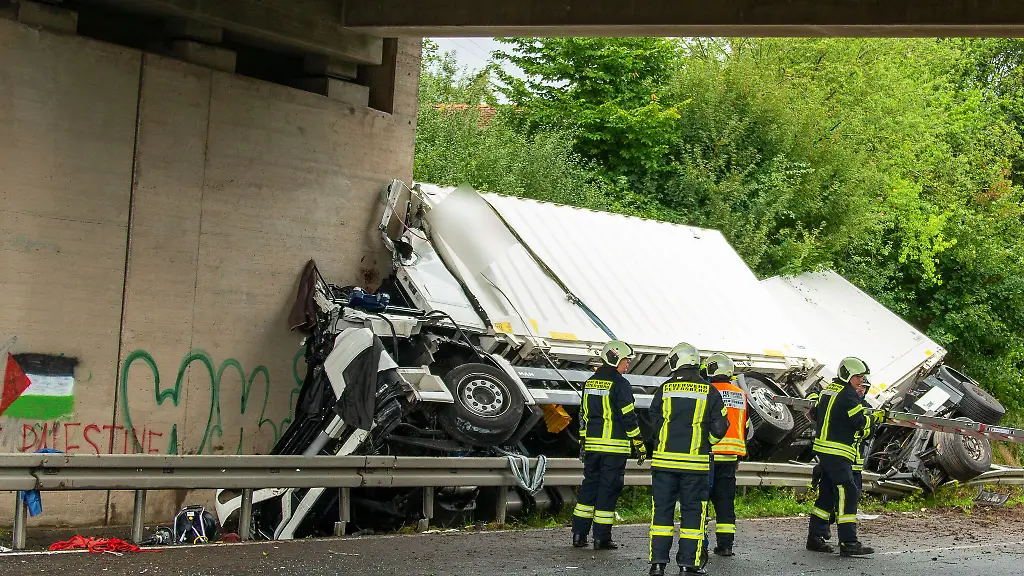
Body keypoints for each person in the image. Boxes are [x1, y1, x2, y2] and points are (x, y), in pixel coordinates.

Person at [648, 343, 729, 576]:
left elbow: (652, 420)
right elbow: (721, 426)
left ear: (677, 361)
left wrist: (664, 440)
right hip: (695, 465)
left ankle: (657, 565)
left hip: (664, 463)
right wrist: (705, 443)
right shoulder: (709, 391)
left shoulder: (665, 389)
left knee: (661, 513)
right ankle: (687, 565)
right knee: (693, 514)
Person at [572, 340, 646, 550]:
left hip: (593, 447)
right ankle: (601, 538)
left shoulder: (590, 382)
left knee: (589, 487)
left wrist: (583, 442)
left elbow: (583, 415)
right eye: (626, 360)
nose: (628, 364)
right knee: (608, 490)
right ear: (614, 358)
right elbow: (628, 418)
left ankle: (579, 535)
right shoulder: (621, 384)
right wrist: (639, 443)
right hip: (614, 449)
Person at [806, 357, 883, 557]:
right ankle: (848, 542)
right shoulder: (848, 394)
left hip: (824, 450)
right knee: (848, 492)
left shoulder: (828, 390)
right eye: (858, 377)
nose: (860, 381)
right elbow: (860, 423)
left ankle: (815, 537)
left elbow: (814, 413)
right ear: (847, 375)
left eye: (862, 378)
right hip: (838, 452)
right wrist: (875, 418)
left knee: (827, 494)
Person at [702, 353, 749, 558]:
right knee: (725, 504)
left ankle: (700, 544)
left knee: (701, 501)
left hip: (709, 455)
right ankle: (726, 545)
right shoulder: (741, 394)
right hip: (730, 457)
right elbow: (745, 427)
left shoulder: (706, 391)